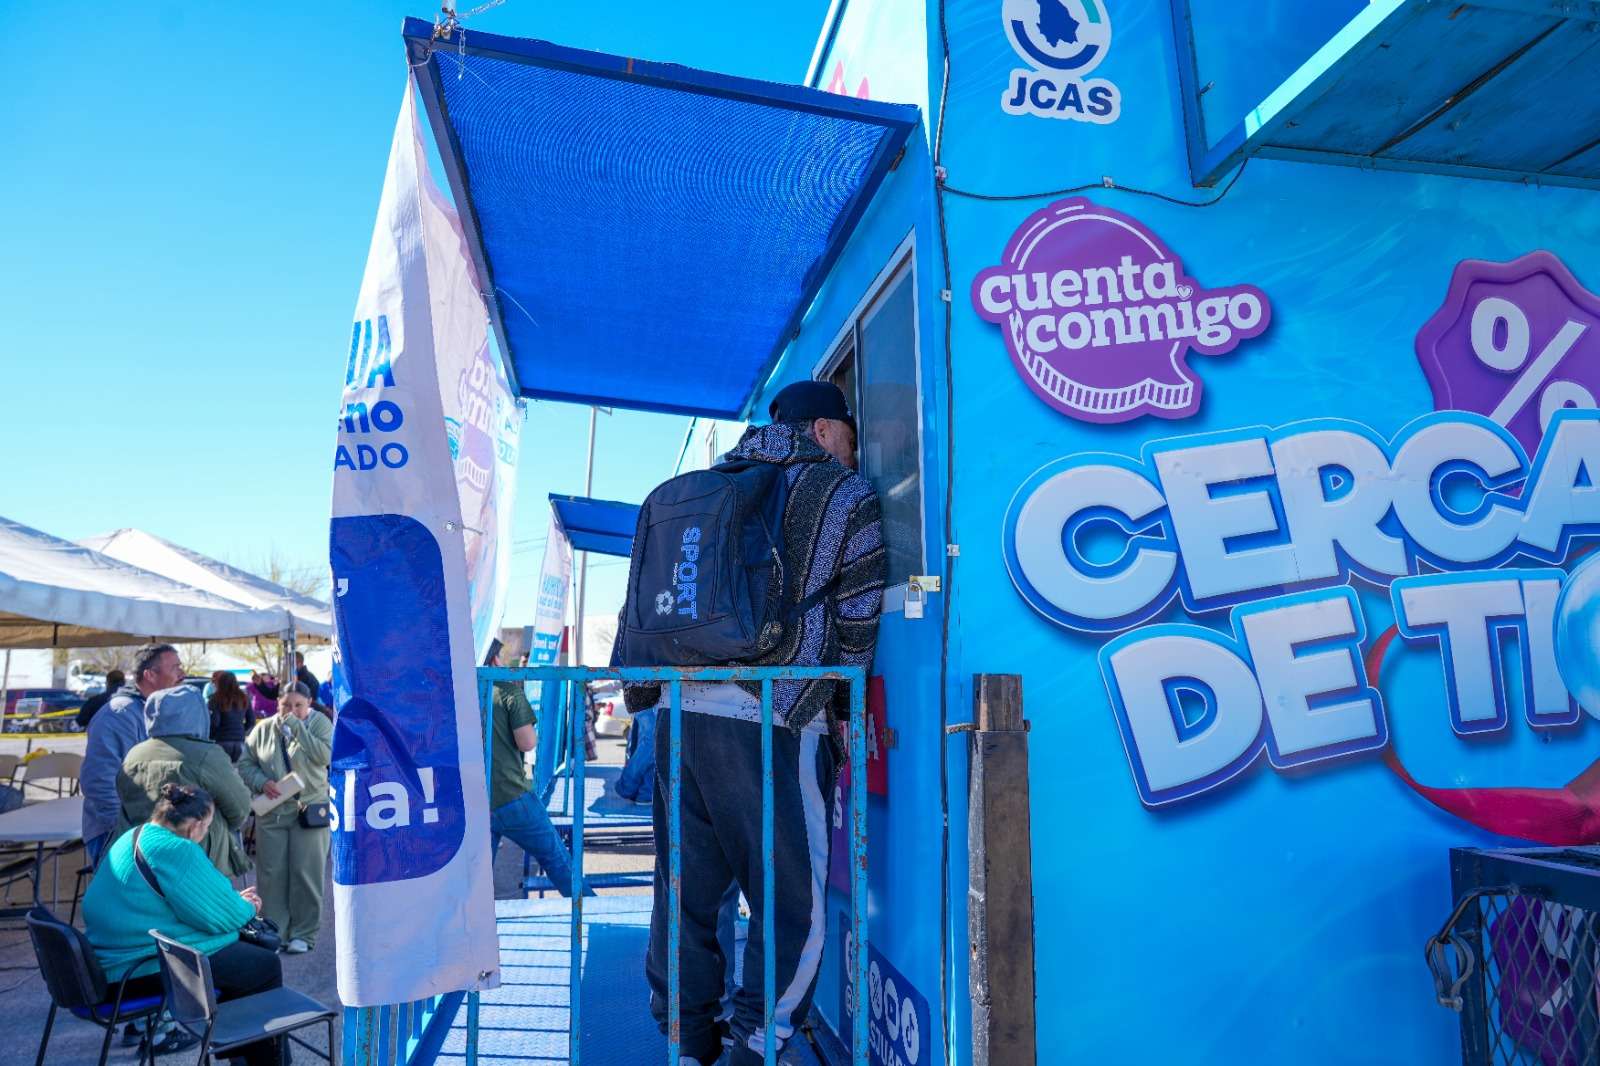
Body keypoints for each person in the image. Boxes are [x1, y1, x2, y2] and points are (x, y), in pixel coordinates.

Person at [629, 380, 885, 1066]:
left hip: (677, 711)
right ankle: (755, 1044)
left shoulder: (696, 490)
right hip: (772, 715)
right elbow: (859, 615)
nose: (853, 454)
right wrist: (842, 707)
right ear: (824, 430)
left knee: (685, 893)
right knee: (790, 903)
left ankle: (687, 1040)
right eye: (849, 440)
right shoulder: (841, 491)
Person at [82, 782, 288, 1065]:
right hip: (134, 970)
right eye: (208, 827)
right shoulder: (176, 849)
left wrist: (228, 903)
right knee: (263, 965)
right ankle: (262, 1060)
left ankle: (240, 1051)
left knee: (238, 962)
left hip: (108, 962)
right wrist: (248, 906)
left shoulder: (134, 835)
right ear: (195, 826)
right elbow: (226, 916)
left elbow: (198, 903)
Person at [483, 642, 591, 897]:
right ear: (496, 660)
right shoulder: (507, 692)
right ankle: (592, 912)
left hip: (476, 799)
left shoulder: (460, 693)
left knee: (476, 877)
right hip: (511, 795)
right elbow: (527, 742)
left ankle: (469, 922)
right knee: (557, 860)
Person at [236, 682, 333, 954]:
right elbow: (246, 763)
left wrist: (299, 728)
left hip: (308, 809)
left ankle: (304, 933)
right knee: (271, 874)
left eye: (298, 705)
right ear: (277, 704)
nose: (291, 710)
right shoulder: (263, 729)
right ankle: (275, 930)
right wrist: (261, 781)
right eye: (285, 705)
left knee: (307, 872)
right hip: (273, 810)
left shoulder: (320, 724)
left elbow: (325, 756)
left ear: (309, 703)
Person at [118, 684, 253, 877]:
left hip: (142, 859)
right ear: (198, 715)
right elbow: (240, 807)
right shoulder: (205, 754)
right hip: (198, 860)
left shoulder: (134, 754)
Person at [81, 645, 182, 867]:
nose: (181, 674)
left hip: (147, 832)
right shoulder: (119, 715)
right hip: (120, 836)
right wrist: (126, 834)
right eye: (175, 667)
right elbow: (99, 782)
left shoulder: (152, 711)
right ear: (150, 675)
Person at [208, 671, 251, 762]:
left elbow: (215, 722)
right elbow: (251, 721)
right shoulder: (244, 698)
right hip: (240, 740)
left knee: (220, 769)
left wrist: (211, 736)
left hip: (221, 740)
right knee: (238, 769)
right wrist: (240, 730)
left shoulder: (215, 699)